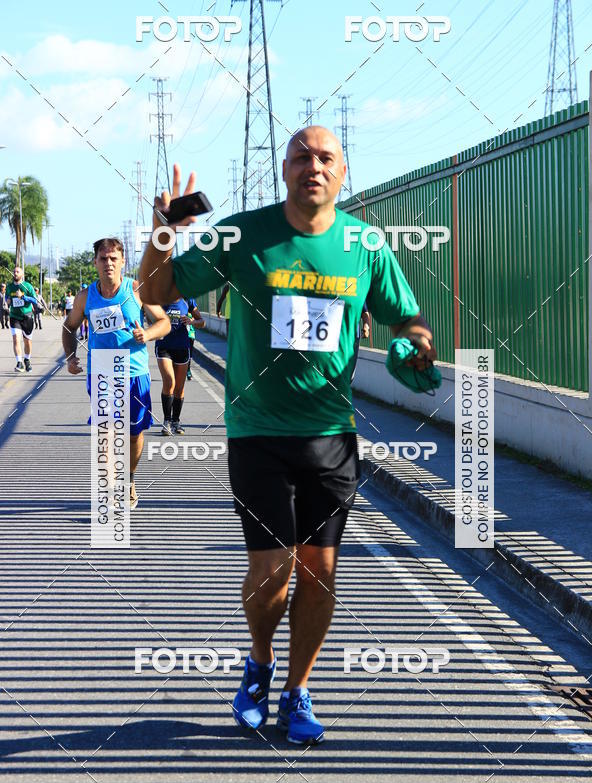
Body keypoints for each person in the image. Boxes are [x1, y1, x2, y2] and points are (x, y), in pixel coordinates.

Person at [139, 126, 436, 744]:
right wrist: (165, 230)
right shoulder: (243, 233)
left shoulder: (364, 244)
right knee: (273, 569)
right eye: (302, 156)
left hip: (330, 433)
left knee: (320, 571)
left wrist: (418, 345)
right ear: (284, 169)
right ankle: (259, 663)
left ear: (342, 172)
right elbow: (156, 291)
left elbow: (406, 315)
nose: (313, 167)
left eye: (326, 158)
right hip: (257, 430)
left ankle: (298, 689)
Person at [62, 237, 170, 509]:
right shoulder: (85, 297)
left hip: (134, 372)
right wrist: (70, 356)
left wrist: (147, 334)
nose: (108, 263)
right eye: (103, 258)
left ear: (123, 261)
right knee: (106, 433)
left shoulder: (137, 290)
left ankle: (129, 479)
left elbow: (164, 322)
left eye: (113, 258)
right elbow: (69, 326)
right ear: (95, 262)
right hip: (102, 371)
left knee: (133, 434)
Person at [155, 296, 205, 434]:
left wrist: (192, 321)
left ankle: (176, 421)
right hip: (164, 346)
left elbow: (202, 322)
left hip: (182, 347)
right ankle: (167, 421)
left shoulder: (188, 300)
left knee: (179, 388)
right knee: (169, 381)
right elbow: (150, 318)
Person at [6, 266, 37, 372]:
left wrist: (23, 297)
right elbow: (7, 297)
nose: (15, 273)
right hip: (14, 317)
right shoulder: (9, 287)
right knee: (16, 339)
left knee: (27, 342)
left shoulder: (27, 286)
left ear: (22, 274)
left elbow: (35, 300)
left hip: (27, 316)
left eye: (17, 272)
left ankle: (27, 360)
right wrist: (8, 300)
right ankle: (19, 362)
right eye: (14, 272)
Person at [186, 297, 204, 381]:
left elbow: (199, 319)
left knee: (189, 352)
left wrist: (192, 321)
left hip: (190, 331)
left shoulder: (190, 300)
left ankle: (188, 369)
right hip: (177, 332)